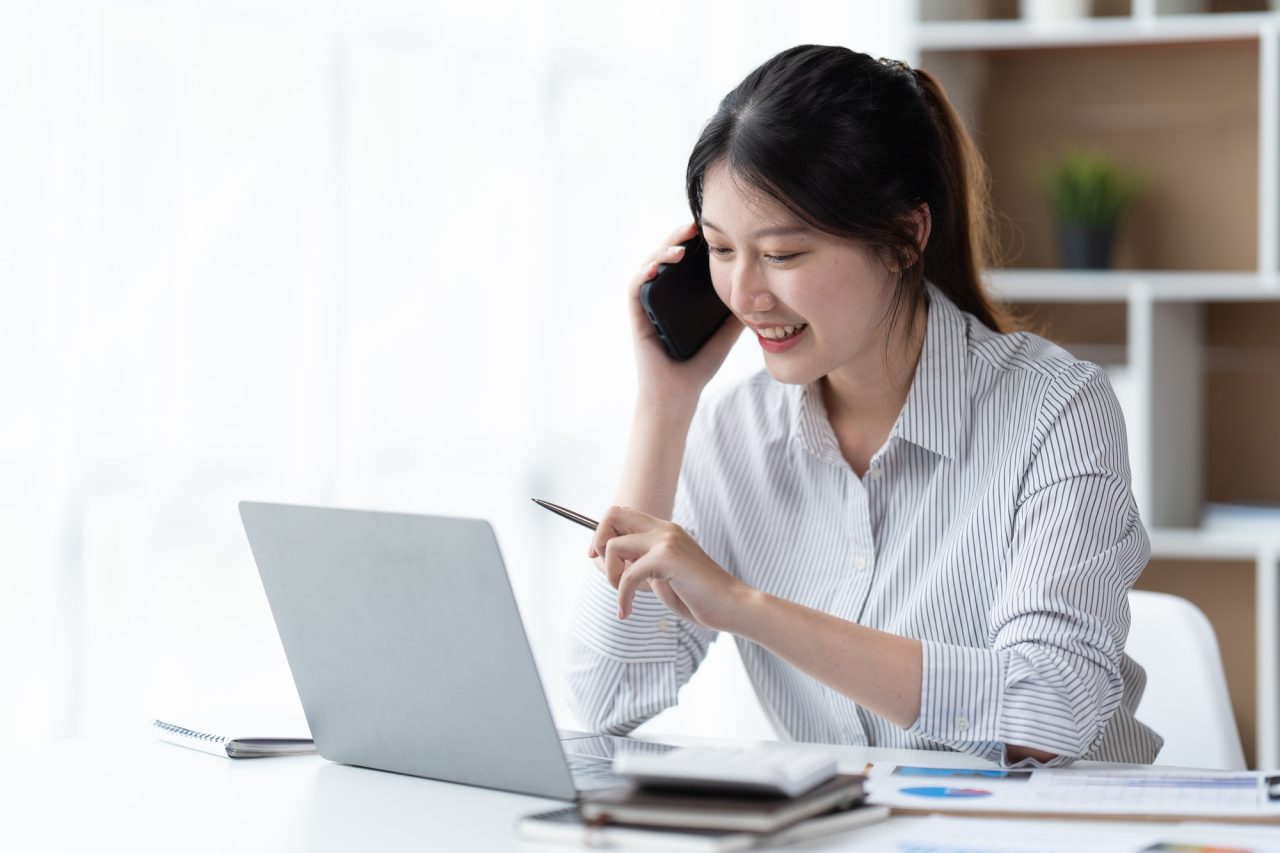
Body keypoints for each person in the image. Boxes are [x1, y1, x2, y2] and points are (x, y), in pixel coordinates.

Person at [566, 44, 1161, 767]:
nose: (744, 294)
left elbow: (1047, 708)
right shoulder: (734, 431)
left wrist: (745, 606)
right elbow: (604, 698)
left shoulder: (1056, 410)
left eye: (782, 254)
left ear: (905, 237)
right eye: (720, 249)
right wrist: (664, 405)